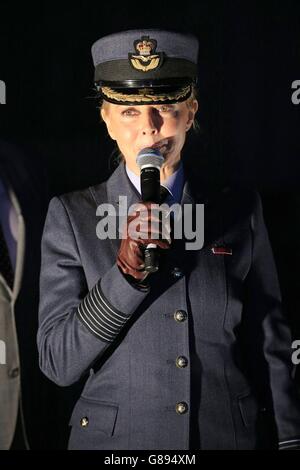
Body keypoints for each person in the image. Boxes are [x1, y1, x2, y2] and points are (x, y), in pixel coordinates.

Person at [37, 29, 300, 450]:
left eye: (165, 107)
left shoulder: (239, 209)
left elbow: (270, 340)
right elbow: (57, 362)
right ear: (106, 120)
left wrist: (290, 438)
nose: (149, 127)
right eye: (128, 111)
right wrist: (123, 277)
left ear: (191, 112)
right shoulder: (72, 216)